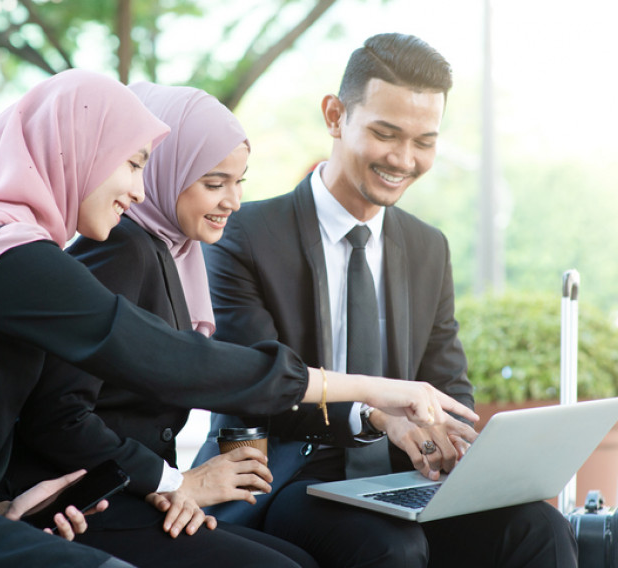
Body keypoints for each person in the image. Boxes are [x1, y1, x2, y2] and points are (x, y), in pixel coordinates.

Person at [0, 69, 475, 568]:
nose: (141, 189)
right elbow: (170, 362)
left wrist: (7, 499)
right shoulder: (15, 257)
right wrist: (373, 391)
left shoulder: (8, 245)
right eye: (134, 162)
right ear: (77, 150)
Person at [193, 33, 580, 567]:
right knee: (390, 547)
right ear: (335, 116)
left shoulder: (428, 246)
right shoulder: (245, 235)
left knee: (540, 529)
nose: (404, 159)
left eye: (425, 141)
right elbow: (259, 386)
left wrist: (455, 438)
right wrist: (375, 415)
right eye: (385, 133)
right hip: (292, 477)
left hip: (405, 477)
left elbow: (447, 382)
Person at [0, 82, 317, 567]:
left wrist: (172, 490)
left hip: (133, 491)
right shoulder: (120, 247)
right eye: (215, 183)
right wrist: (174, 482)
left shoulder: (172, 253)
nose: (233, 201)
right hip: (82, 502)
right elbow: (59, 414)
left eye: (239, 182)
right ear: (167, 171)